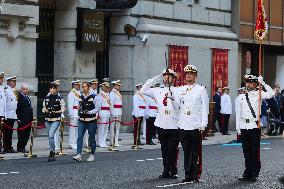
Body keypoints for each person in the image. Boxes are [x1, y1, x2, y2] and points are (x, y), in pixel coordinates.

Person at [140, 69, 179, 179]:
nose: (167, 78)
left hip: (173, 124)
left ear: (173, 79)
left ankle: (173, 170)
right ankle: (166, 170)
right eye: (165, 76)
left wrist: (173, 98)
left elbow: (179, 108)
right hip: (161, 123)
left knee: (173, 149)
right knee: (164, 149)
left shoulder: (178, 91)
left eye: (169, 76)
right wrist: (157, 77)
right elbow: (143, 90)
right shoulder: (157, 90)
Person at [173, 65, 209, 183]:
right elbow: (177, 107)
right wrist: (172, 99)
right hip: (183, 124)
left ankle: (196, 174)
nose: (188, 75)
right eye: (187, 73)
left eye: (191, 74)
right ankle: (188, 174)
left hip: (195, 124)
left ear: (195, 76)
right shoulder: (180, 89)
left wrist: (203, 124)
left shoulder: (201, 89)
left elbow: (205, 108)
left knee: (195, 151)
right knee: (186, 150)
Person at [236, 75, 275, 182]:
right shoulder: (241, 96)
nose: (248, 84)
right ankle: (247, 172)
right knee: (246, 151)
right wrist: (238, 128)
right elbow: (238, 113)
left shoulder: (259, 94)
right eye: (247, 82)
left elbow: (272, 94)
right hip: (244, 126)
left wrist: (263, 83)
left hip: (254, 126)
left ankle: (255, 173)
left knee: (254, 151)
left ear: (255, 84)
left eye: (251, 82)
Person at [73, 82, 99, 162]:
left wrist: (89, 112)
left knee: (91, 138)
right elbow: (79, 106)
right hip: (82, 120)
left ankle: (92, 154)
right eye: (82, 87)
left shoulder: (94, 97)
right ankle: (78, 154)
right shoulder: (80, 97)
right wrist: (79, 109)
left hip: (91, 120)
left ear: (89, 87)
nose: (84, 88)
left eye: (85, 87)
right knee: (79, 137)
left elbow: (97, 108)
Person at [42, 82, 65, 162]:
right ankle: (52, 150)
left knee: (51, 135)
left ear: (56, 89)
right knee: (49, 136)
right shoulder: (46, 98)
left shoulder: (60, 98)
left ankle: (52, 152)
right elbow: (43, 108)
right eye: (51, 88)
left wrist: (56, 111)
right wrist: (45, 110)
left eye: (54, 88)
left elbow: (63, 109)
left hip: (56, 119)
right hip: (47, 119)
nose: (52, 90)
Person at [16, 85, 33, 153]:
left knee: (27, 134)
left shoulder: (27, 97)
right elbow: (17, 109)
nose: (25, 90)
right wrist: (18, 118)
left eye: (26, 89)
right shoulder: (19, 97)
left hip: (28, 120)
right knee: (21, 134)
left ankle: (23, 146)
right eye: (24, 89)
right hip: (22, 119)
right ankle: (20, 147)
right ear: (21, 90)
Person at [3, 76, 18, 153]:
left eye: (15, 81)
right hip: (7, 115)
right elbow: (4, 103)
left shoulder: (14, 90)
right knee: (6, 133)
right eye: (12, 81)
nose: (14, 83)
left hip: (12, 114)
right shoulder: (5, 90)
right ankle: (6, 147)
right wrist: (4, 115)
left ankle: (9, 146)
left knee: (10, 132)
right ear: (8, 82)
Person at [96, 82, 111, 148]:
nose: (107, 88)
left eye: (108, 87)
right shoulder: (100, 95)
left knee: (106, 128)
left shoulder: (108, 94)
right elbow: (97, 106)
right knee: (101, 129)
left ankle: (103, 141)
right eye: (106, 87)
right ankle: (99, 142)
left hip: (107, 112)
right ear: (102, 87)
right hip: (102, 112)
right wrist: (97, 114)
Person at [67, 80, 81, 150]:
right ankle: (72, 143)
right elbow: (70, 105)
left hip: (78, 112)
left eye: (79, 85)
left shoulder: (78, 93)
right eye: (77, 85)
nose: (78, 86)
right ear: (73, 85)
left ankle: (75, 142)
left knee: (77, 129)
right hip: (74, 112)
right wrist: (71, 114)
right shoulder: (71, 93)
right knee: (73, 129)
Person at [109, 80, 123, 148]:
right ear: (114, 85)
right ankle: (112, 141)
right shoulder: (112, 93)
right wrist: (112, 113)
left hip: (119, 111)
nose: (119, 86)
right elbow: (111, 104)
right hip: (115, 112)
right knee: (113, 127)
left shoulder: (117, 93)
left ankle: (116, 141)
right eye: (118, 85)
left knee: (117, 128)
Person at [0, 72, 6, 154]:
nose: (2, 80)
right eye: (0, 78)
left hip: (2, 113)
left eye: (2, 78)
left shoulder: (2, 88)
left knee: (1, 132)